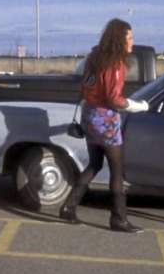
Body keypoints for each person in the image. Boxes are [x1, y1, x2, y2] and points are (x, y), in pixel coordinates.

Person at [59, 18, 150, 233]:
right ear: (119, 39)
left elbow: (86, 86)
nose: (132, 41)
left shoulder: (94, 58)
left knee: (95, 164)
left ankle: (68, 207)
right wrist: (138, 106)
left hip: (89, 114)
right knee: (117, 170)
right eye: (129, 37)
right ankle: (118, 219)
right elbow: (113, 99)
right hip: (105, 119)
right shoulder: (116, 64)